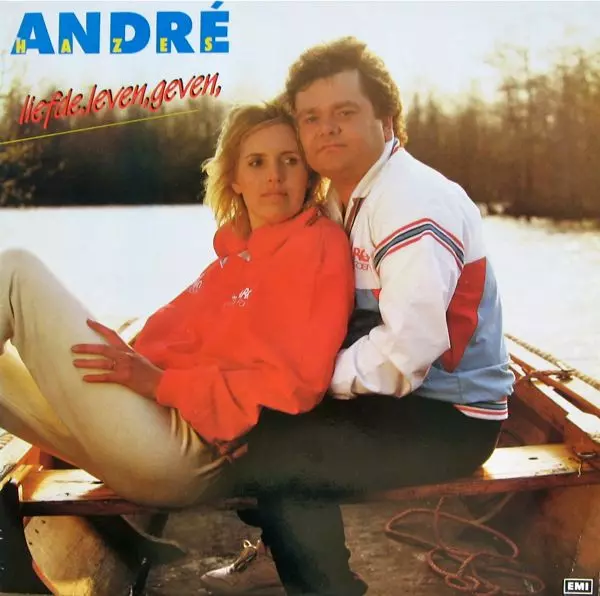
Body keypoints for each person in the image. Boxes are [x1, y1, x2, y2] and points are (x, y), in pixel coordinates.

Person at [199, 37, 515, 596]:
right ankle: (281, 550)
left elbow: (404, 356)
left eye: (344, 113)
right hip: (400, 403)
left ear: (386, 120)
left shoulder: (412, 202)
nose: (326, 129)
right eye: (311, 118)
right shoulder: (342, 200)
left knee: (279, 458)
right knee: (249, 429)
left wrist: (299, 382)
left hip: (450, 418)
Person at [0, 102, 354, 508]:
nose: (274, 175)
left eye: (289, 160)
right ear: (234, 178)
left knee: (14, 273)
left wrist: (159, 383)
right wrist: (137, 365)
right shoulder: (230, 262)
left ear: (309, 174)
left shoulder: (318, 244)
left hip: (187, 452)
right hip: (150, 422)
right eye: (256, 162)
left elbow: (297, 384)